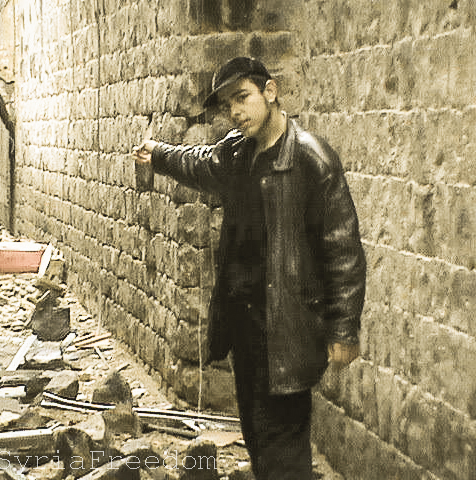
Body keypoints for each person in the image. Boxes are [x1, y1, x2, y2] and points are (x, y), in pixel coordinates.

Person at [132, 57, 366, 479]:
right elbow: (201, 163)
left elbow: (343, 250)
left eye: (242, 97)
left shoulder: (313, 159)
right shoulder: (238, 153)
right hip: (245, 327)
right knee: (258, 437)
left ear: (270, 92)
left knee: (285, 449)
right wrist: (160, 155)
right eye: (228, 105)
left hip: (288, 327)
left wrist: (344, 330)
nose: (235, 112)